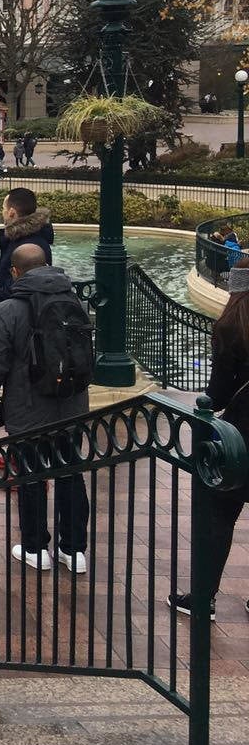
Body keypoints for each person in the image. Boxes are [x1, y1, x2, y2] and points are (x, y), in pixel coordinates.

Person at [0, 244, 91, 574]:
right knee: (70, 472)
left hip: (27, 410)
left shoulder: (8, 310)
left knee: (30, 475)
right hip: (72, 407)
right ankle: (74, 550)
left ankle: (35, 547)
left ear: (14, 272)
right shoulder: (73, 302)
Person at [170, 264, 249, 620]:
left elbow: (216, 396)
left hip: (238, 439)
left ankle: (205, 598)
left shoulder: (231, 326)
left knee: (220, 516)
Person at [0, 187, 54, 308]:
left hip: (20, 320)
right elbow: (16, 280)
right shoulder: (29, 238)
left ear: (12, 212)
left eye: (4, 208)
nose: (2, 212)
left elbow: (15, 292)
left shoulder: (26, 247)